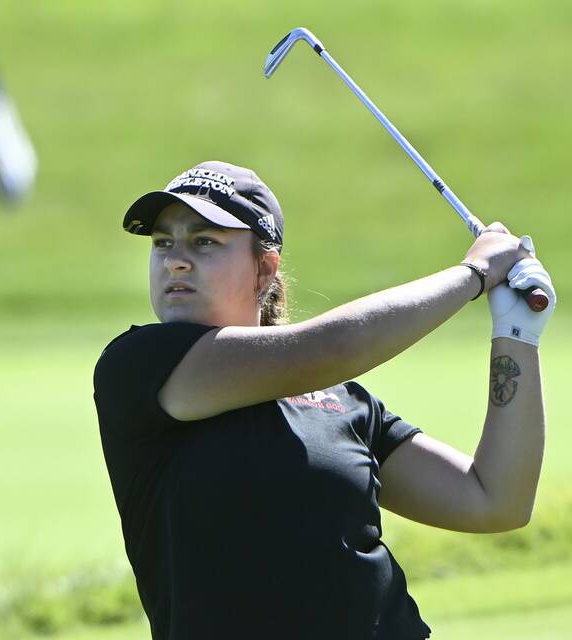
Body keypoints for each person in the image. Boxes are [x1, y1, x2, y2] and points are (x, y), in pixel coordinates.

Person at [93, 160, 556, 640]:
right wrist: (475, 273)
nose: (175, 260)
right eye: (162, 243)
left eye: (204, 241)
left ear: (264, 269)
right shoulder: (139, 367)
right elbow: (331, 348)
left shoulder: (340, 401)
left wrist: (517, 333)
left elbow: (495, 500)